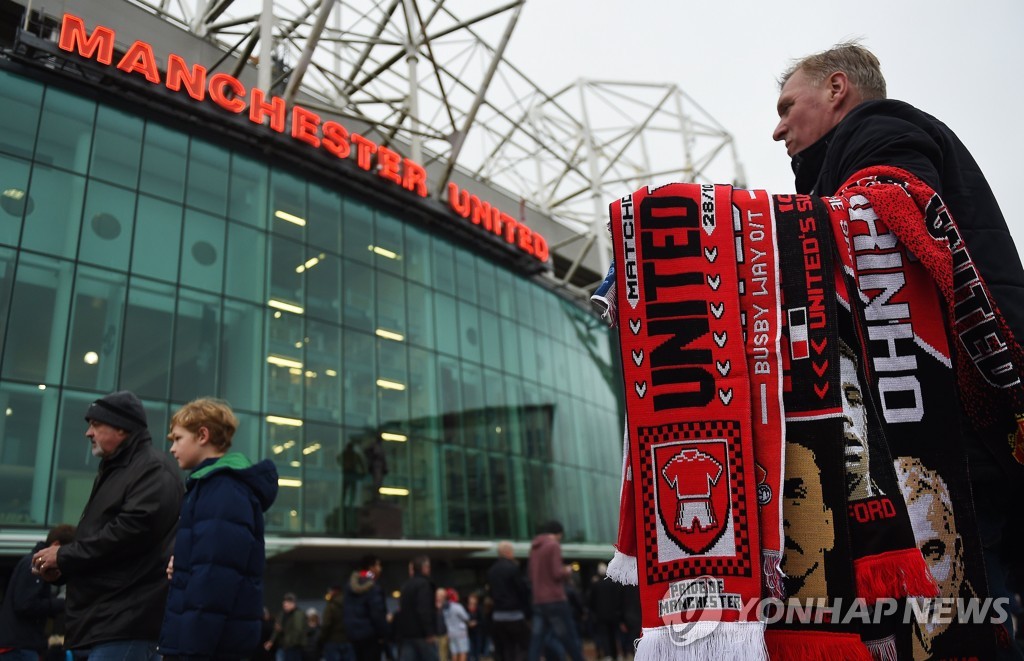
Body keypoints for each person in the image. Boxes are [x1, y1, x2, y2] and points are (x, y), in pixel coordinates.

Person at [773, 40, 1024, 652]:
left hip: (958, 445)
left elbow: (889, 211)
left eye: (787, 106)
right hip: (966, 438)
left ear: (837, 89)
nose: (777, 128)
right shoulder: (849, 158)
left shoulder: (881, 130)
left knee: (968, 617)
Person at [31, 391, 184, 660]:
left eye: (96, 424)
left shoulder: (151, 469)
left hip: (126, 622)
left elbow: (128, 534)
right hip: (110, 623)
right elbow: (108, 542)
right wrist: (63, 568)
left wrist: (64, 556)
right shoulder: (118, 469)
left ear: (122, 428)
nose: (88, 433)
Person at [156, 398, 279, 660]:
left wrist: (191, 652)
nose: (173, 449)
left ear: (203, 435)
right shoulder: (211, 486)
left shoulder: (222, 488)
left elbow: (214, 577)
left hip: (207, 649)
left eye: (178, 438)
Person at [0, 524, 75, 660]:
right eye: (65, 551)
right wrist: (60, 603)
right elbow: (25, 604)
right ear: (56, 545)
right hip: (20, 647)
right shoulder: (35, 564)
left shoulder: (30, 561)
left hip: (17, 645)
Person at [526, 521, 583, 661]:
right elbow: (556, 573)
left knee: (537, 640)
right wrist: (567, 570)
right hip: (554, 598)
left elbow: (530, 574)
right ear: (558, 533)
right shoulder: (553, 546)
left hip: (539, 599)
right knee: (568, 637)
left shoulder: (534, 548)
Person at [486, 541, 529, 661]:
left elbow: (490, 592)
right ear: (508, 552)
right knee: (523, 647)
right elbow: (521, 590)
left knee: (504, 649)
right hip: (514, 615)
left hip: (497, 616)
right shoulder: (513, 569)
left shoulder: (491, 571)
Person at [343, 555, 390, 661]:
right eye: (378, 565)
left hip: (353, 635)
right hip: (370, 636)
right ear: (371, 568)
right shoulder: (373, 587)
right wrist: (384, 633)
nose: (380, 569)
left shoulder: (349, 586)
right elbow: (377, 613)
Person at [393, 555, 439, 661]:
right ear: (425, 568)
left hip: (406, 634)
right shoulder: (424, 584)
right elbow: (424, 609)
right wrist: (429, 632)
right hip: (422, 635)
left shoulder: (405, 586)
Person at [587, 563, 623, 661]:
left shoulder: (596, 584)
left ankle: (608, 655)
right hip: (614, 614)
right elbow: (619, 599)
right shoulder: (614, 584)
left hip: (601, 615)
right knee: (614, 635)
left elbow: (591, 601)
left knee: (604, 635)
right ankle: (616, 654)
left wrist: (593, 612)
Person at [270, 593, 309, 661]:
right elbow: (278, 628)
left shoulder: (298, 614)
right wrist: (272, 640)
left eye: (287, 602)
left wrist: (290, 642)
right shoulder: (283, 614)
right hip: (285, 645)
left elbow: (298, 630)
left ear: (293, 603)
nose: (284, 604)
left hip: (293, 646)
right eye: (284, 602)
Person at [320, 584, 354, 661]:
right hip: (348, 640)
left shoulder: (331, 606)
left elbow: (326, 624)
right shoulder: (349, 604)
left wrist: (322, 638)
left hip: (332, 641)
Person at [442, 589, 471, 661]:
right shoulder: (456, 606)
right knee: (463, 652)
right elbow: (466, 617)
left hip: (450, 633)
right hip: (460, 633)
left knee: (454, 653)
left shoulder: (444, 608)